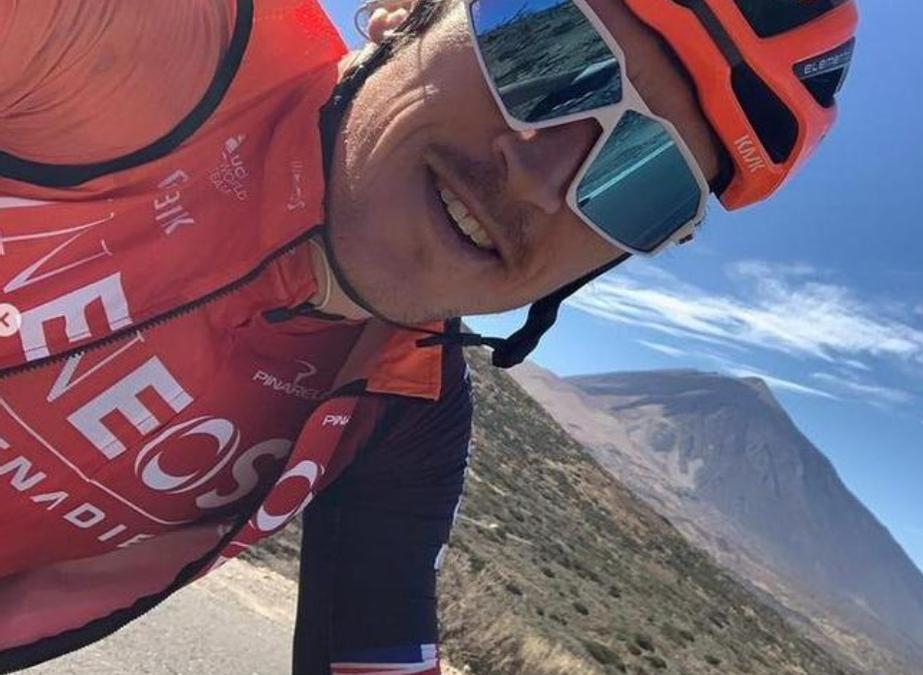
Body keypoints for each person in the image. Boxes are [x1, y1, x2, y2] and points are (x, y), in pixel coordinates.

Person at [0, 0, 856, 671]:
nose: (543, 178)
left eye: (642, 178)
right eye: (546, 50)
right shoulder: (139, 45)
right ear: (410, 7)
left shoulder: (404, 415)